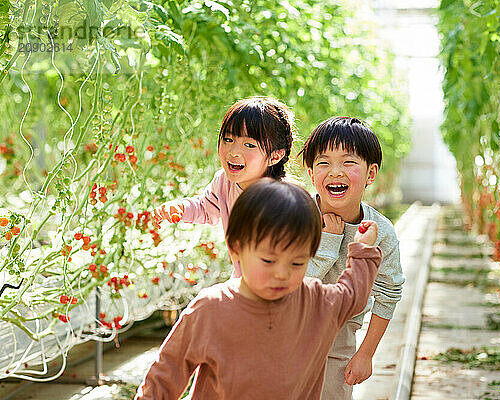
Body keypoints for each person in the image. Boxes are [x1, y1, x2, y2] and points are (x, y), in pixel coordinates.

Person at [135, 179, 382, 399]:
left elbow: (353, 296)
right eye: (268, 260)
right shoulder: (211, 309)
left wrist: (362, 250)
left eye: (297, 263)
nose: (282, 274)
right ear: (236, 248)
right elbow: (166, 374)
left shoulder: (317, 301)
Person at [299, 116, 405, 399]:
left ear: (371, 174)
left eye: (348, 162)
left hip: (340, 333)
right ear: (310, 173)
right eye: (323, 163)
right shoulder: (295, 215)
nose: (335, 172)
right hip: (289, 324)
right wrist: (328, 243)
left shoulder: (380, 232)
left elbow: (389, 292)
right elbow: (286, 283)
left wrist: (365, 353)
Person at [152, 96, 295, 278]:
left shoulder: (284, 201)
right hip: (242, 284)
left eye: (249, 144)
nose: (234, 151)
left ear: (275, 156)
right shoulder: (224, 182)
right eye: (228, 139)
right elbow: (204, 208)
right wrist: (180, 208)